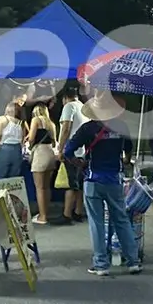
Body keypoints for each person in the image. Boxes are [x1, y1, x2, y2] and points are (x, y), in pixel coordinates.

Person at [62, 92, 141, 276]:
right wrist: (123, 160)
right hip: (114, 179)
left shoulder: (87, 129)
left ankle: (101, 265)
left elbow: (68, 151)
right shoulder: (121, 127)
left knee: (96, 224)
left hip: (93, 179)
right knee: (121, 220)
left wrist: (78, 163)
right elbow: (128, 153)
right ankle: (133, 261)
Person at [27, 104, 62, 225]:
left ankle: (42, 216)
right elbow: (54, 142)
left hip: (40, 153)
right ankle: (45, 211)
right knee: (46, 187)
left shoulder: (36, 120)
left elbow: (31, 138)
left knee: (39, 187)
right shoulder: (51, 124)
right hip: (50, 153)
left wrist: (29, 146)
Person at [56, 90, 87, 223]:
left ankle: (66, 215)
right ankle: (78, 212)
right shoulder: (83, 107)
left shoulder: (69, 106)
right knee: (79, 184)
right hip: (82, 151)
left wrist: (61, 148)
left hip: (71, 150)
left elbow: (66, 128)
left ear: (65, 98)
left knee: (70, 184)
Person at [0, 101, 28, 180]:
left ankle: (0, 193)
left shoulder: (2, 119)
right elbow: (23, 138)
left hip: (4, 149)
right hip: (17, 150)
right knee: (14, 179)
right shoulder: (21, 122)